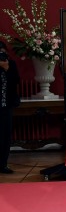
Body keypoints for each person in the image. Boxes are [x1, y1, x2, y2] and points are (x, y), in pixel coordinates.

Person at [0, 41, 21, 174]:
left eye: (3, 52)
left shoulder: (11, 64)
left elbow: (16, 81)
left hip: (6, 106)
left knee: (5, 136)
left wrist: (7, 69)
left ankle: (3, 164)